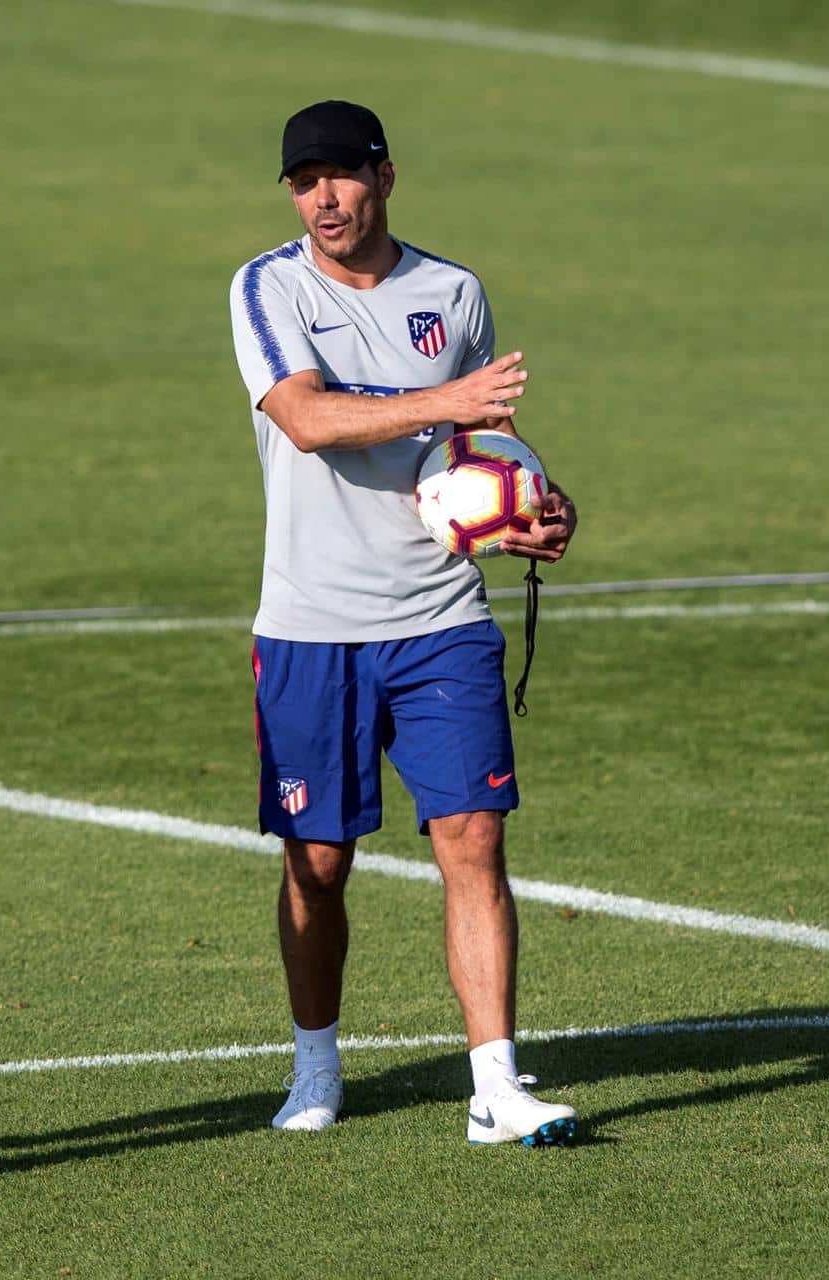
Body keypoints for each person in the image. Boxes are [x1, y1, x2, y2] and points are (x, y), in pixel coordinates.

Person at [227, 100, 580, 1144]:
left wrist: (534, 512)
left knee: (472, 838)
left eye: (339, 175)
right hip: (311, 622)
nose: (322, 198)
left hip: (440, 618)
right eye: (304, 181)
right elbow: (306, 416)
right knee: (318, 862)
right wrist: (449, 401)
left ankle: (496, 1083)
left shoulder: (452, 293)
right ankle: (315, 1061)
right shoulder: (268, 286)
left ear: (385, 175)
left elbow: (483, 450)